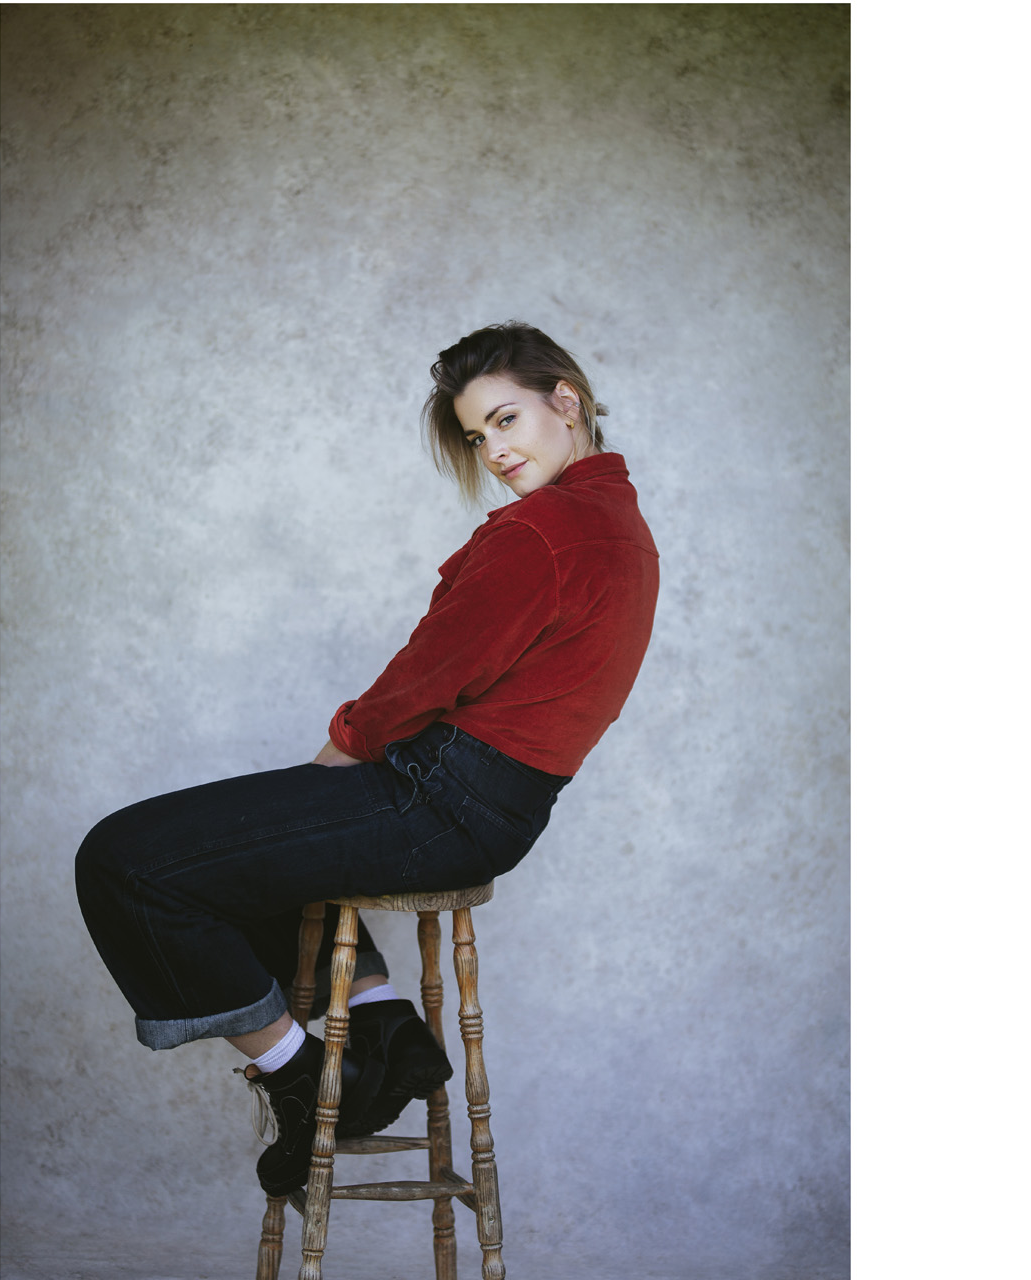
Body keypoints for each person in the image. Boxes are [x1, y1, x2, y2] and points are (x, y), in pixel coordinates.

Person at [73, 321, 659, 1196]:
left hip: (442, 797)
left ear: (565, 403)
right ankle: (389, 1034)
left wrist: (337, 752)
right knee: (239, 858)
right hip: (496, 808)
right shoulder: (618, 524)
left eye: (505, 420)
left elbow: (429, 677)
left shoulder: (542, 534)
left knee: (126, 862)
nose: (493, 451)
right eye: (475, 436)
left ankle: (309, 1081)